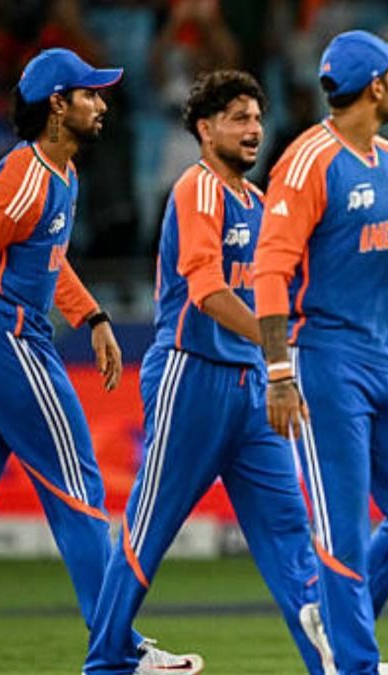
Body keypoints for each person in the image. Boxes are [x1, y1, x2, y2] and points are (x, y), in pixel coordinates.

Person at [0, 48, 194, 675]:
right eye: (90, 95)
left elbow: (46, 259)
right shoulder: (23, 177)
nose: (101, 105)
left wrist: (93, 316)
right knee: (79, 488)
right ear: (57, 105)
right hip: (6, 339)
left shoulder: (56, 174)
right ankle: (120, 649)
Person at [82, 70, 333, 675]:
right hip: (190, 377)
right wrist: (279, 345)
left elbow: (284, 289)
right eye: (239, 118)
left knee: (290, 536)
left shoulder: (256, 201)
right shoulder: (198, 189)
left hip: (251, 386)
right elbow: (208, 292)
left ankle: (335, 663)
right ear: (205, 128)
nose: (254, 130)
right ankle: (108, 661)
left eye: (256, 118)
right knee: (151, 524)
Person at [254, 29, 388, 675]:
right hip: (327, 359)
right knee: (340, 525)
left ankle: (336, 620)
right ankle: (354, 663)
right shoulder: (307, 161)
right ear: (374, 86)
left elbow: (366, 252)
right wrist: (280, 372)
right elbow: (269, 271)